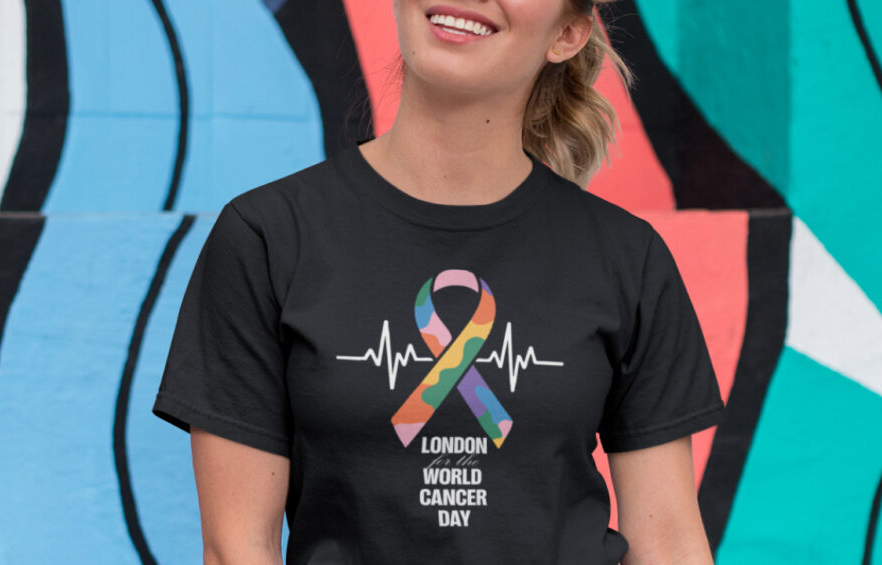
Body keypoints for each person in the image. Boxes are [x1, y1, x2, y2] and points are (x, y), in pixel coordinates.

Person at [152, 0, 726, 563]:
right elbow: (237, 549)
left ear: (568, 34)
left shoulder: (626, 257)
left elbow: (669, 543)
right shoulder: (268, 237)